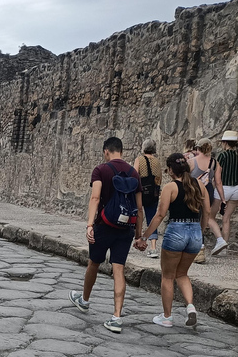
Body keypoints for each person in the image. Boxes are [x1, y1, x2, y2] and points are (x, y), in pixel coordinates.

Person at [69, 137, 143, 334]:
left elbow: (95, 197)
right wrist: (138, 235)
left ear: (106, 151)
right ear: (121, 150)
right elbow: (139, 208)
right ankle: (116, 317)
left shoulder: (101, 170)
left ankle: (84, 300)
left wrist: (89, 225)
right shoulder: (133, 173)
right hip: (125, 229)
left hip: (104, 225)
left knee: (94, 263)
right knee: (119, 269)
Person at [139, 153, 210, 327]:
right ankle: (191, 307)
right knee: (183, 274)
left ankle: (167, 316)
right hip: (194, 232)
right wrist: (199, 232)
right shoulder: (199, 184)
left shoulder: (170, 187)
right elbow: (207, 212)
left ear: (171, 170)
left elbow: (160, 215)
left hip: (176, 231)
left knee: (168, 276)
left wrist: (144, 236)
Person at [189, 138, 223, 262]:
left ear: (198, 148)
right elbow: (218, 183)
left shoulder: (192, 162)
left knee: (193, 218)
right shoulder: (215, 163)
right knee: (203, 218)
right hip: (208, 191)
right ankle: (200, 248)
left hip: (194, 190)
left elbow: (185, 178)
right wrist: (222, 198)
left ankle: (197, 249)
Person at [133, 139, 162, 258]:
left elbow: (134, 175)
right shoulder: (157, 161)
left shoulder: (139, 159)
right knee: (152, 218)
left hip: (141, 191)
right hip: (153, 193)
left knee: (135, 215)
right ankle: (153, 248)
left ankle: (136, 238)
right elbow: (159, 178)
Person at [213, 129, 238, 254]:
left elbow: (218, 174)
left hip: (224, 187)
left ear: (225, 142)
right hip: (236, 189)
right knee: (226, 218)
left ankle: (219, 241)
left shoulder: (222, 156)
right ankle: (224, 248)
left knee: (210, 216)